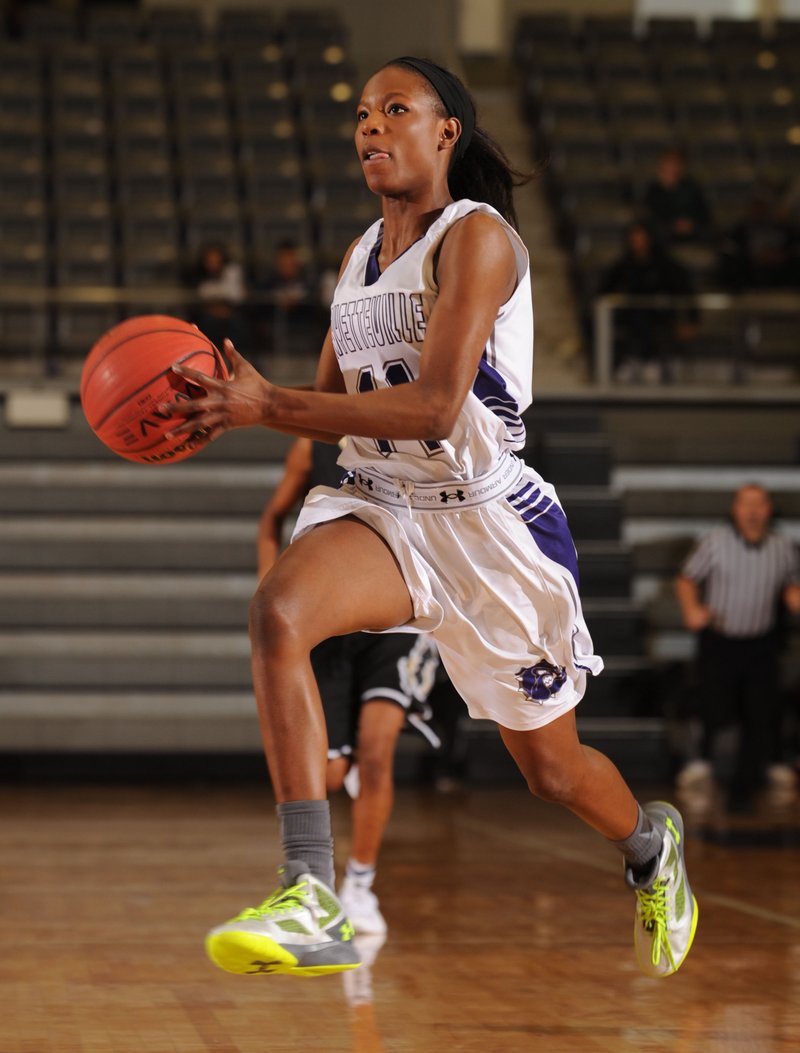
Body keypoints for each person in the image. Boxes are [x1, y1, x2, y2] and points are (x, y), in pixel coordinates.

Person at [164, 56, 698, 980]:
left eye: (395, 110)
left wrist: (269, 403)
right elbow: (325, 408)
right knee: (277, 612)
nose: (371, 127)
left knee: (553, 773)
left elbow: (432, 409)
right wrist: (215, 407)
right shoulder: (354, 258)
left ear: (446, 128)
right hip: (383, 509)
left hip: (489, 530)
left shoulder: (478, 238)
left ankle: (651, 845)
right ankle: (310, 892)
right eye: (363, 114)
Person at [257, 435, 440, 935]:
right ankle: (352, 771)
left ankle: (358, 885)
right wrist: (271, 585)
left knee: (377, 750)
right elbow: (272, 518)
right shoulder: (310, 445)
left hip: (403, 616)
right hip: (333, 616)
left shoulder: (419, 432)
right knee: (333, 774)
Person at [675, 484, 800, 810]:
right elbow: (686, 579)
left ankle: (754, 777)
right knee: (715, 704)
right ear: (735, 509)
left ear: (768, 509)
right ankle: (701, 763)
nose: (753, 511)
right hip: (721, 639)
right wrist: (692, 610)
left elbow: (791, 584)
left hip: (761, 642)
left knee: (761, 709)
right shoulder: (716, 542)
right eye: (746, 504)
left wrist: (793, 598)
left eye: (759, 504)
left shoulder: (783, 547)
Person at [598, 220, 696, 382]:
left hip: (660, 315)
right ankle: (633, 360)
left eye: (640, 237)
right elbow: (604, 290)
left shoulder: (665, 264)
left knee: (649, 320)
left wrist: (691, 320)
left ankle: (653, 362)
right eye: (633, 238)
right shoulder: (625, 264)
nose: (636, 242)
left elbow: (686, 291)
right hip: (632, 316)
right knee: (636, 319)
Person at [643, 147, 711, 245]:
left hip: (692, 230)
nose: (673, 168)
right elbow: (651, 215)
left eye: (676, 164)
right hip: (665, 232)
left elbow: (704, 213)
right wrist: (672, 225)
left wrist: (690, 224)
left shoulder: (692, 187)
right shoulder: (654, 190)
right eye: (669, 164)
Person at [190, 241, 249, 353]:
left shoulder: (232, 271)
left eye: (216, 259)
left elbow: (237, 295)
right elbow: (202, 295)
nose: (213, 263)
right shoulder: (199, 275)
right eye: (210, 260)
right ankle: (208, 355)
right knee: (205, 325)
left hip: (231, 311)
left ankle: (238, 358)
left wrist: (224, 305)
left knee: (239, 324)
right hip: (209, 314)